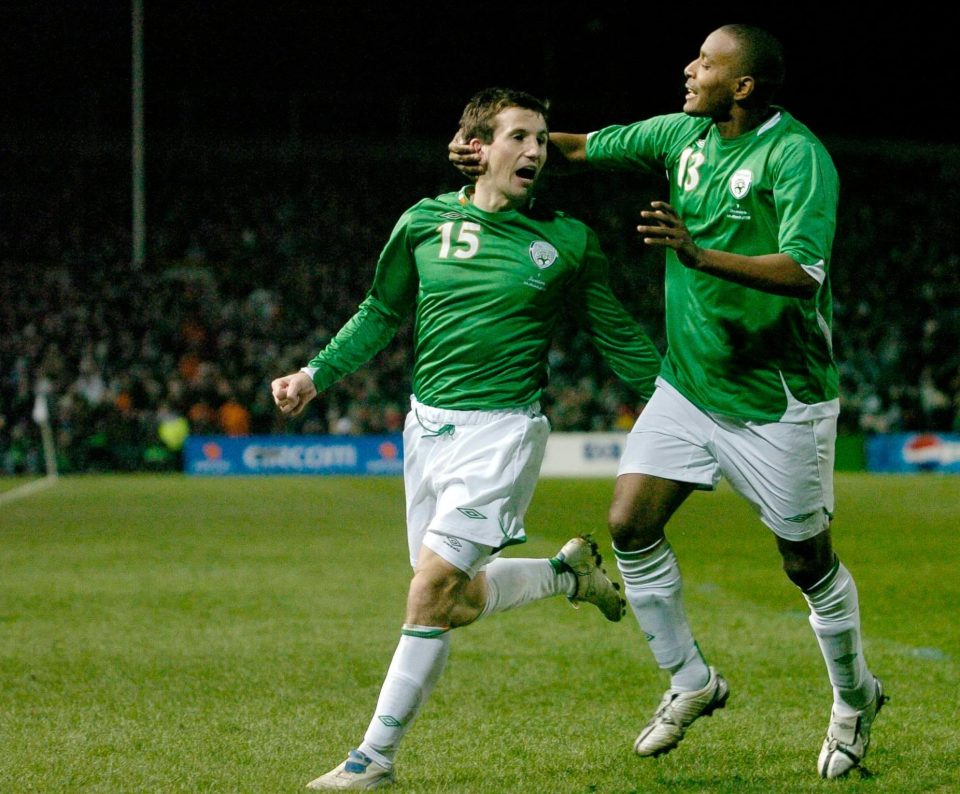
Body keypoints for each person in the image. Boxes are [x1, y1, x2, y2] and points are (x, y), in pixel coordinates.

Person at [450, 22, 887, 782]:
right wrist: (498, 148)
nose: (690, 68)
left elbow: (804, 272)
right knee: (629, 523)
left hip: (777, 398)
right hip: (689, 386)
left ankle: (854, 701)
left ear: (743, 86)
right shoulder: (681, 133)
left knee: (805, 563)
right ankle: (691, 681)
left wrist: (697, 255)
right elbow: (582, 147)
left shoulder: (796, 156)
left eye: (708, 62)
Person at [272, 87, 662, 790]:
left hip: (503, 435)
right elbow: (380, 311)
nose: (537, 151)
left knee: (430, 591)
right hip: (426, 431)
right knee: (456, 599)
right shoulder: (422, 223)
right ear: (477, 148)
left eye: (543, 140)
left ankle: (374, 758)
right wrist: (314, 373)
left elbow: (617, 334)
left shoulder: (567, 242)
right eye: (520, 137)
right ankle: (567, 575)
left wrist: (677, 408)